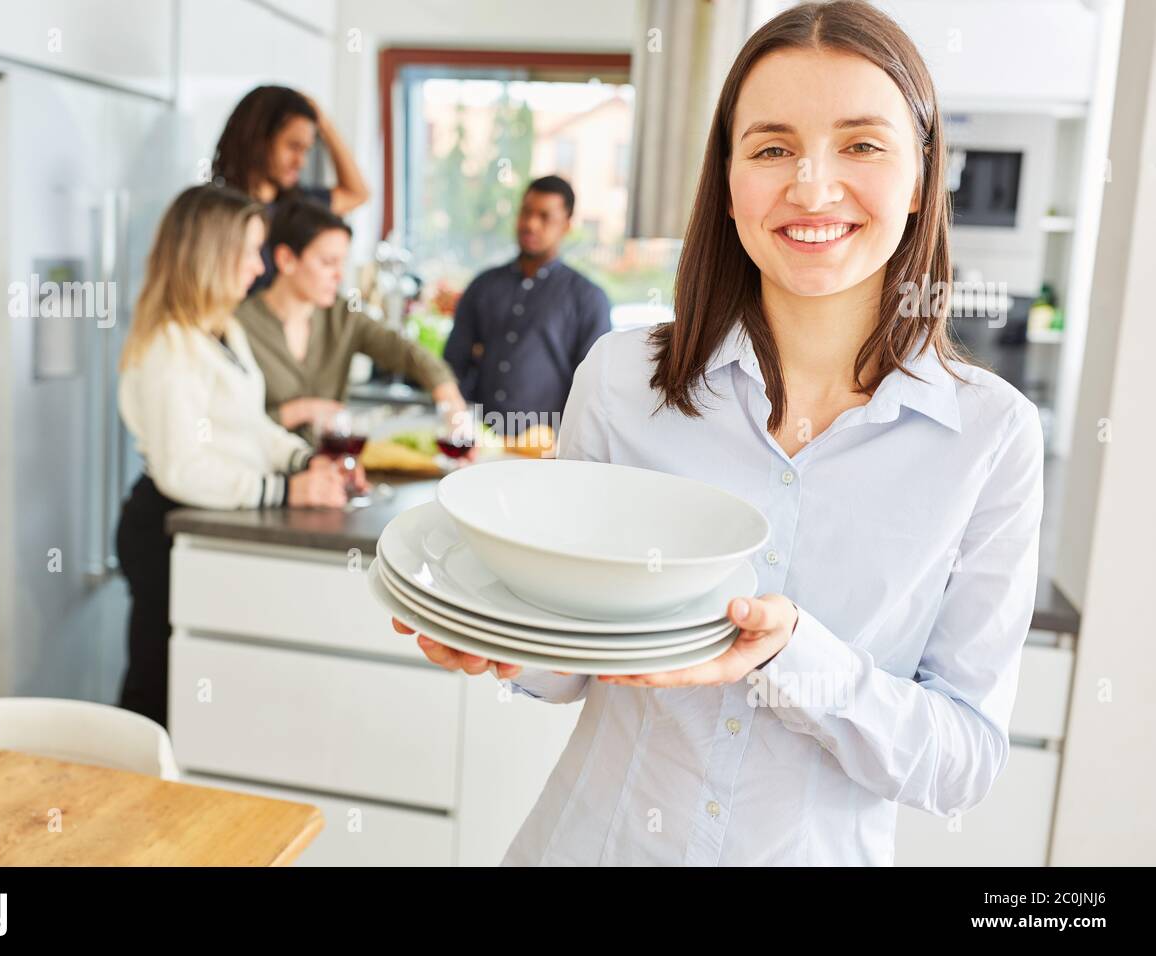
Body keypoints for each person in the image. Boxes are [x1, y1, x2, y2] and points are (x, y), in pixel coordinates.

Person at [395, 0, 1044, 865]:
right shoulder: (623, 382)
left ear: (923, 176)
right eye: (773, 148)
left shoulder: (990, 436)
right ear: (730, 180)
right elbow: (568, 662)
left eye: (861, 144)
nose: (812, 187)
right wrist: (495, 639)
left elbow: (962, 761)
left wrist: (797, 657)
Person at [116, 184, 352, 727]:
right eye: (249, 250)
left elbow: (252, 426)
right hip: (166, 527)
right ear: (210, 254)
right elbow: (183, 470)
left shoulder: (222, 330)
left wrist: (302, 462)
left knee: (188, 685)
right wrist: (287, 490)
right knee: (157, 694)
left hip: (204, 519)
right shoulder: (168, 345)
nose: (259, 265)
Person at [237, 199, 466, 435]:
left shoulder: (344, 315)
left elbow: (404, 352)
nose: (339, 275)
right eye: (328, 262)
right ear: (286, 259)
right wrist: (300, 411)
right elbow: (229, 424)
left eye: (343, 262)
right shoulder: (238, 325)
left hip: (328, 466)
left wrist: (450, 401)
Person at [442, 175, 611, 437]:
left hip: (546, 452)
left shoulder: (588, 298)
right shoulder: (483, 286)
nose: (531, 224)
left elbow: (593, 388)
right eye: (526, 212)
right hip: (478, 443)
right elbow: (454, 363)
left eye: (545, 217)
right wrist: (456, 420)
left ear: (566, 226)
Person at [211, 85, 370, 293]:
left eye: (306, 150)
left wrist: (322, 122)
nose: (301, 162)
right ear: (259, 139)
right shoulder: (217, 212)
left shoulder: (300, 206)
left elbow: (357, 194)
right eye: (293, 147)